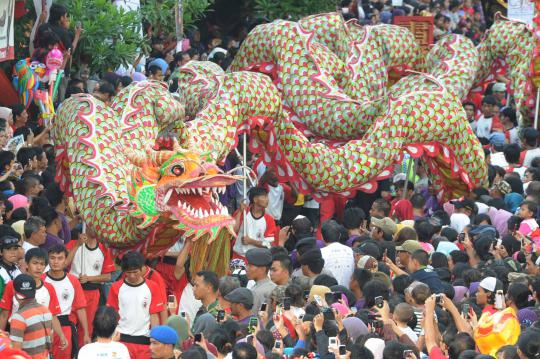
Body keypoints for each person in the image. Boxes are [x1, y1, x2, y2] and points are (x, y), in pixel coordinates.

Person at [0, 248, 67, 350]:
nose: (38, 267)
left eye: (42, 264)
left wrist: (61, 335)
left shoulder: (49, 288)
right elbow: (4, 314)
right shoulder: (12, 285)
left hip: (40, 337)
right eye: (35, 263)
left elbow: (53, 316)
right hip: (15, 335)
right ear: (27, 264)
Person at [107, 251, 163, 359]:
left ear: (142, 268)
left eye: (135, 272)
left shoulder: (152, 287)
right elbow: (111, 315)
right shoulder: (116, 287)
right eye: (128, 272)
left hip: (144, 340)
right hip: (121, 340)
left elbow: (154, 316)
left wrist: (155, 341)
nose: (132, 276)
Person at [66, 225, 115, 348]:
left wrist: (89, 278)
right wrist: (77, 244)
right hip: (73, 290)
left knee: (87, 326)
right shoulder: (73, 243)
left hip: (92, 292)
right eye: (93, 226)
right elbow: (64, 263)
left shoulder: (104, 249)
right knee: (69, 323)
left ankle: (82, 352)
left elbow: (107, 276)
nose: (97, 229)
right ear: (86, 226)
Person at [45, 244, 90, 359]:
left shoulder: (73, 281)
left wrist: (86, 333)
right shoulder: (40, 280)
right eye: (52, 258)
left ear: (66, 260)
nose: (55, 262)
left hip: (65, 326)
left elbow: (80, 308)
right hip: (43, 326)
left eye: (60, 258)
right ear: (48, 259)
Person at [8, 274, 53, 358]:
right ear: (34, 291)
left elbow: (16, 351)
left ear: (15, 292)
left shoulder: (18, 317)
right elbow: (51, 339)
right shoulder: (46, 311)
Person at [233, 187, 277, 259]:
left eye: (267, 197)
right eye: (264, 197)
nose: (267, 199)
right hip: (238, 256)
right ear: (255, 199)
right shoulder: (243, 212)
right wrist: (240, 212)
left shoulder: (269, 219)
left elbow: (269, 244)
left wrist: (251, 241)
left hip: (256, 259)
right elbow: (233, 231)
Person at [320, 220, 354, 286]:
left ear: (322, 237)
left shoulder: (321, 253)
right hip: (347, 293)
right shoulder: (350, 250)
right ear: (339, 235)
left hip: (329, 293)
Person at [245, 248, 276, 313]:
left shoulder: (260, 291)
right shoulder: (270, 286)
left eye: (250, 266)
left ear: (262, 269)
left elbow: (253, 317)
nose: (246, 268)